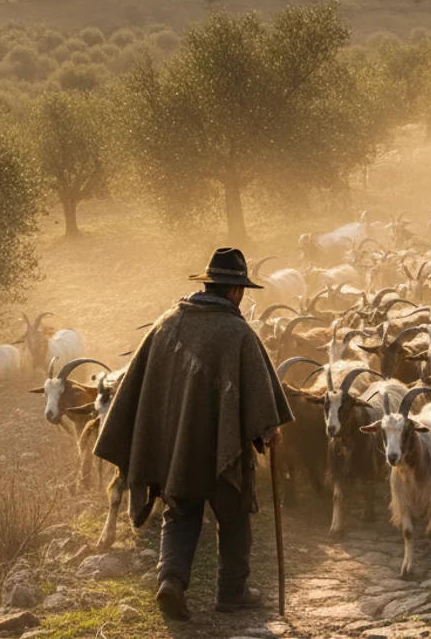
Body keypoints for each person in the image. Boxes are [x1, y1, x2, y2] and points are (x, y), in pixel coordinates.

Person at [94, 247, 293, 620]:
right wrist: (267, 430)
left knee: (180, 512)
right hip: (223, 450)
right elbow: (258, 398)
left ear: (208, 285)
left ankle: (170, 579)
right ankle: (232, 593)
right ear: (235, 291)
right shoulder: (237, 332)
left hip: (177, 449)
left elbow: (139, 389)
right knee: (233, 517)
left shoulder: (166, 323)